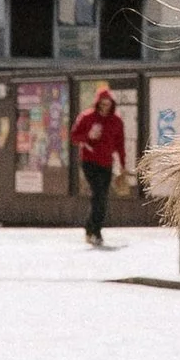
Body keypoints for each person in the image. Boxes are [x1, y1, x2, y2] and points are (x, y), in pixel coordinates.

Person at [71, 83, 125, 245]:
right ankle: (96, 231)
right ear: (97, 103)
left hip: (107, 162)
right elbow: (74, 137)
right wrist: (88, 136)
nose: (105, 107)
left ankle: (92, 229)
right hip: (89, 161)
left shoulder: (116, 121)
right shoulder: (87, 117)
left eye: (108, 104)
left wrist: (123, 164)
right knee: (98, 194)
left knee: (102, 196)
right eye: (102, 104)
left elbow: (120, 144)